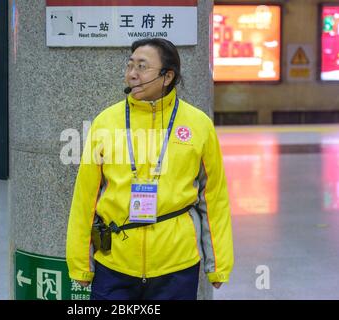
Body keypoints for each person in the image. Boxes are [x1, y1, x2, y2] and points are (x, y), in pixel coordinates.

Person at [66, 38, 234, 300]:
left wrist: (219, 264)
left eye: (142, 67)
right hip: (114, 264)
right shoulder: (105, 122)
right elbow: (85, 198)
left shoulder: (198, 125)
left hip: (177, 266)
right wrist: (80, 262)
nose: (132, 74)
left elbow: (213, 198)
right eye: (130, 65)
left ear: (167, 76)